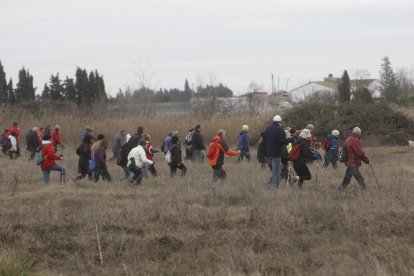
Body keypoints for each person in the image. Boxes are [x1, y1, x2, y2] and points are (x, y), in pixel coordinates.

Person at [262, 115, 287, 188]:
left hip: (268, 153)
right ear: (280, 122)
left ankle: (269, 183)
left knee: (278, 169)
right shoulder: (280, 129)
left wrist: (264, 153)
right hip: (276, 154)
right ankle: (274, 187)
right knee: (276, 171)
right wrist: (291, 140)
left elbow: (264, 142)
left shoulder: (267, 129)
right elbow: (283, 141)